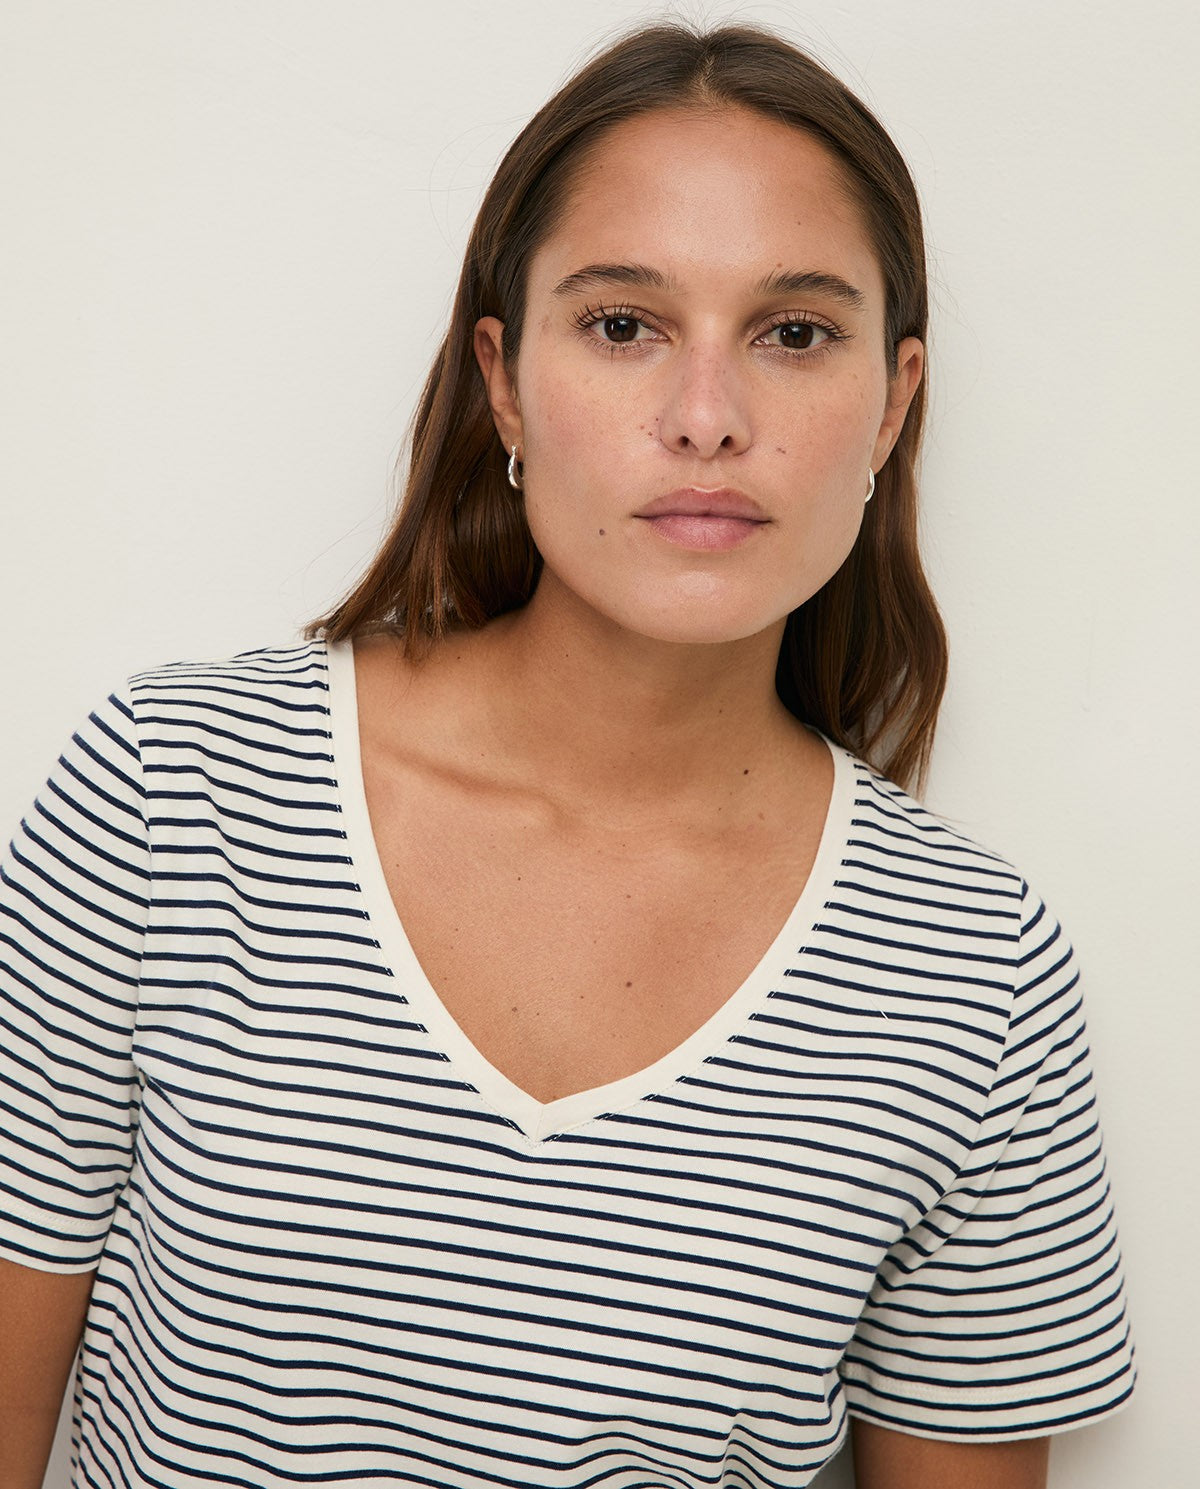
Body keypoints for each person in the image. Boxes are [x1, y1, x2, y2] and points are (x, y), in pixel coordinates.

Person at [0, 19, 1136, 1489]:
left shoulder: (973, 974)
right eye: (622, 325)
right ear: (505, 379)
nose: (707, 420)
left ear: (893, 401)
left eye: (795, 334)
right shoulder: (178, 793)